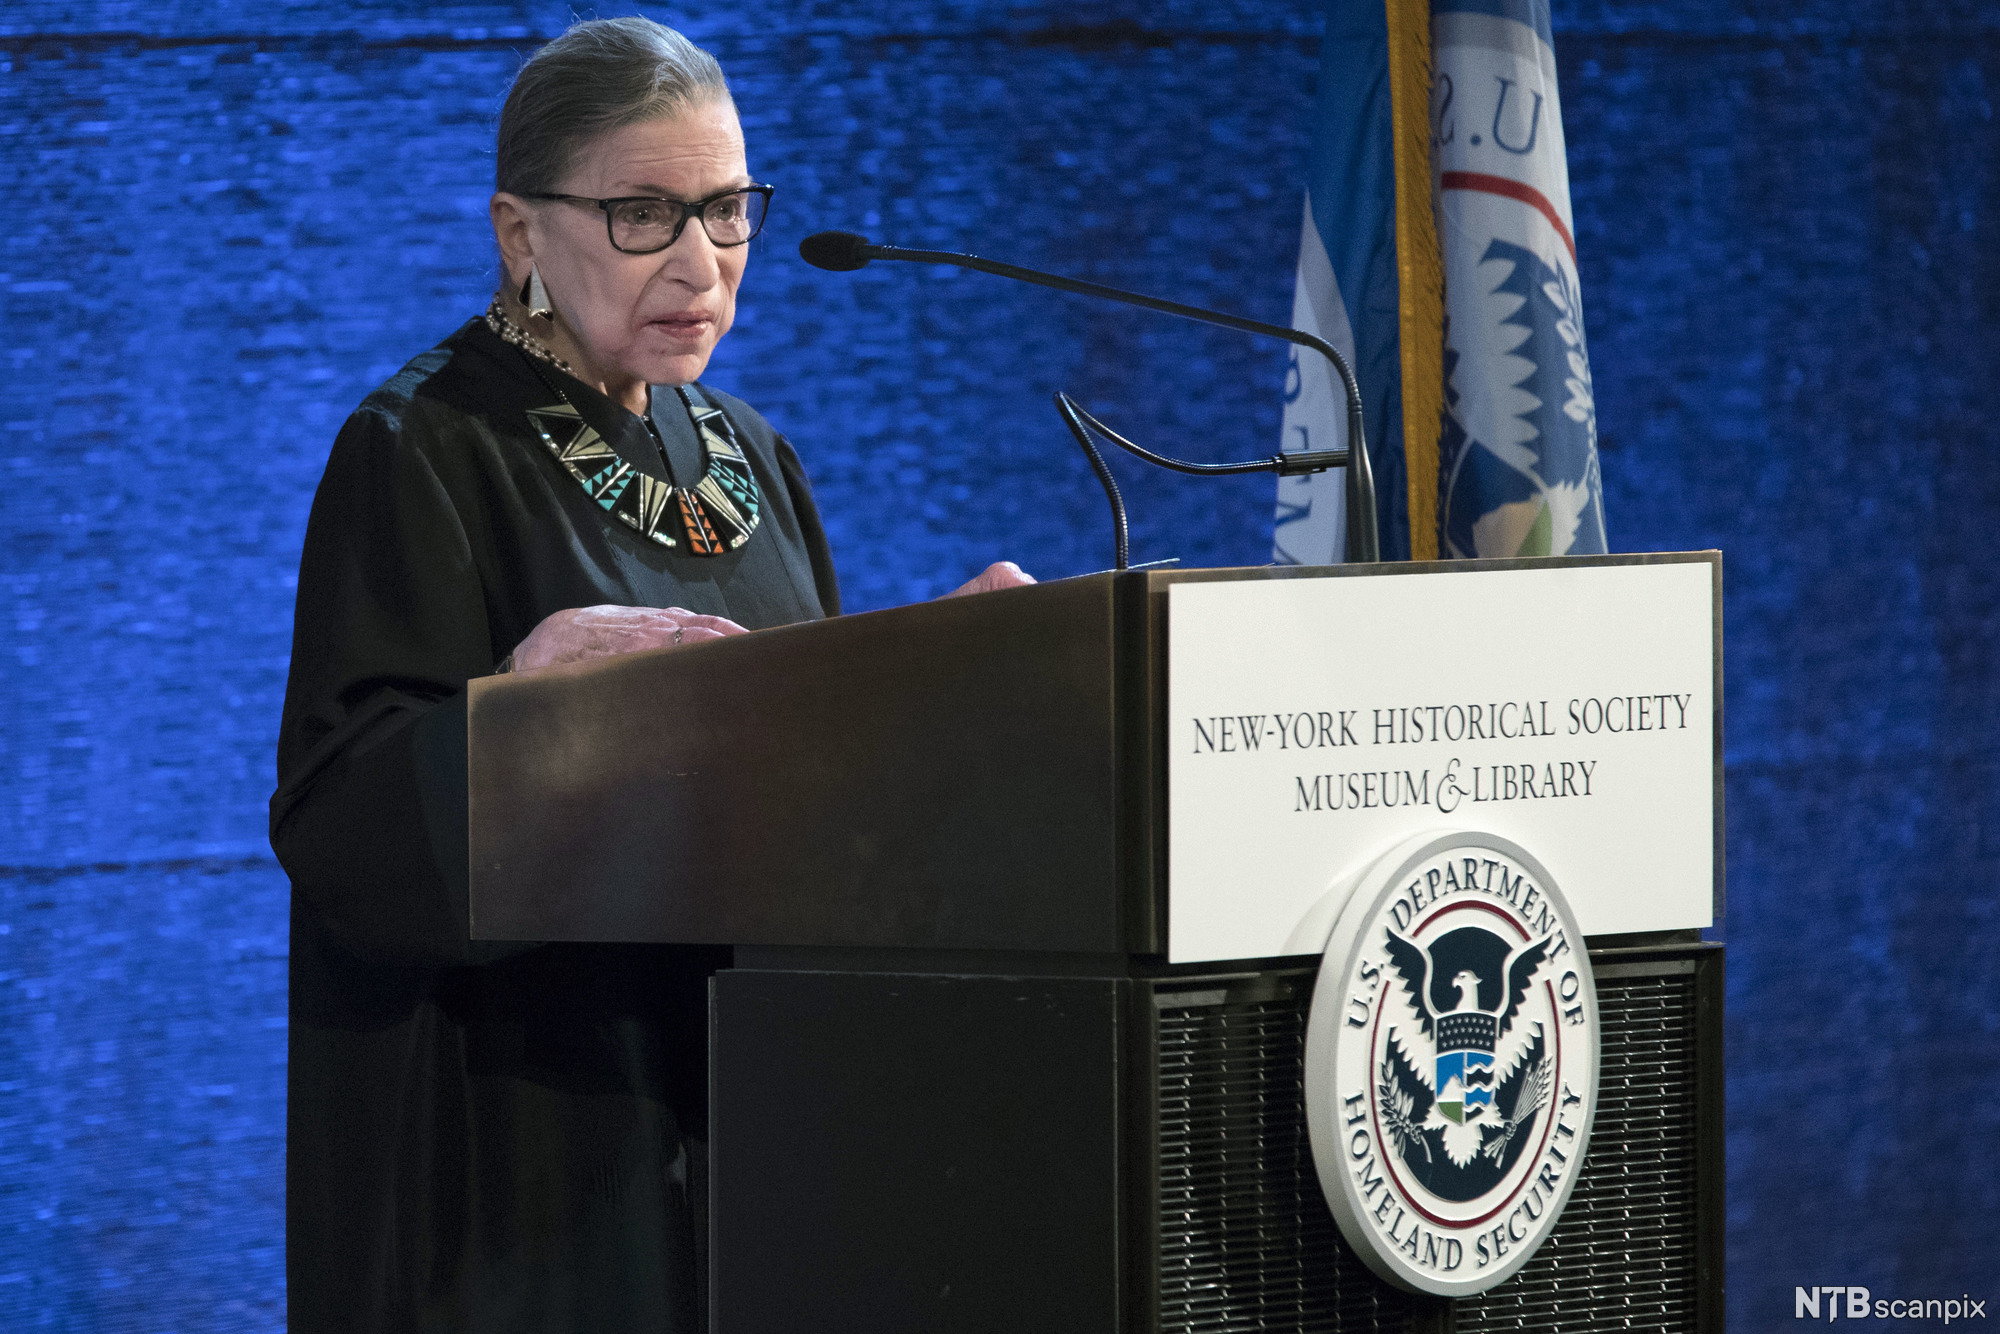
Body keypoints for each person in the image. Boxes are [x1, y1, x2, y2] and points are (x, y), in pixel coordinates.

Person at [269, 18, 1031, 1331]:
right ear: (522, 233)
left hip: (748, 1128)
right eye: (643, 214)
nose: (703, 262)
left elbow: (796, 782)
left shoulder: (757, 461)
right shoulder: (424, 448)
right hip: (527, 1163)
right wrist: (518, 710)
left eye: (727, 211)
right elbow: (338, 829)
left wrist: (926, 689)